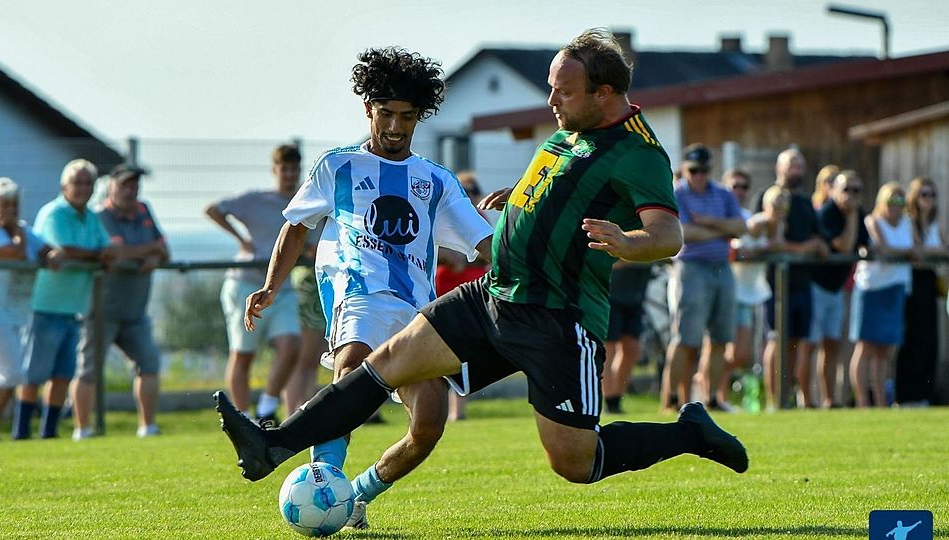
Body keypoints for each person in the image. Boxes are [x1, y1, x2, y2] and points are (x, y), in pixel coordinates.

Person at [215, 30, 748, 495]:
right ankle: (274, 446)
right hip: (493, 296)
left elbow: (667, 234)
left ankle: (688, 432)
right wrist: (519, 197)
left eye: (563, 90)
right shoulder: (569, 132)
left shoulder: (639, 153)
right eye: (552, 86)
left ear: (603, 93)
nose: (551, 99)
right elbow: (564, 193)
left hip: (557, 316)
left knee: (573, 463)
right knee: (378, 365)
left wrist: (629, 243)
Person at [236, 47, 493, 529]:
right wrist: (271, 286)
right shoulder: (338, 167)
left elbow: (485, 245)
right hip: (357, 293)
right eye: (387, 114)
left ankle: (353, 496)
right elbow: (295, 227)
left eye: (408, 117)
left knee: (430, 425)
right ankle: (325, 476)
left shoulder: (436, 180)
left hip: (417, 312)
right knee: (352, 362)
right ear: (368, 110)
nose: (396, 127)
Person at [13, 159, 114, 440]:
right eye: (77, 182)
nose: (83, 188)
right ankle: (21, 432)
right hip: (44, 306)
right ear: (63, 186)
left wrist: (95, 253)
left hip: (74, 308)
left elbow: (107, 249)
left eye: (88, 183)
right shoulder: (54, 213)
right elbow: (65, 249)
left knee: (62, 375)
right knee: (33, 374)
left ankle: (49, 431)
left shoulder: (91, 217)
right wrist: (95, 255)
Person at [205, 144, 303, 426]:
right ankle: (243, 418)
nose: (289, 174)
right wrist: (241, 239)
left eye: (294, 168)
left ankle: (266, 409)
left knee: (291, 346)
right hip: (246, 285)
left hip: (281, 288)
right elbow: (213, 209)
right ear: (275, 170)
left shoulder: (302, 201)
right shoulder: (255, 199)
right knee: (243, 354)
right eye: (284, 168)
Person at [71, 165, 169, 440]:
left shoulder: (144, 212)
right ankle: (82, 430)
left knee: (149, 364)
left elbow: (165, 250)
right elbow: (117, 253)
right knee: (88, 370)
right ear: (111, 186)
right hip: (101, 310)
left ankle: (148, 427)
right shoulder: (101, 216)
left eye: (134, 185)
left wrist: (155, 256)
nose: (131, 190)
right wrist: (150, 251)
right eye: (125, 184)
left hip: (136, 311)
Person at [661, 144, 746, 411]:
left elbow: (741, 227)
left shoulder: (722, 193)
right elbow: (684, 233)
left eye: (704, 170)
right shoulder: (678, 193)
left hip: (722, 268)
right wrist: (723, 230)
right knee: (686, 338)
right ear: (685, 169)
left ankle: (711, 398)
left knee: (721, 338)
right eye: (693, 170)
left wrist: (708, 222)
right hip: (691, 269)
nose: (698, 175)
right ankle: (671, 399)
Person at [756, 149, 827, 409]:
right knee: (776, 340)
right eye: (791, 164)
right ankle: (775, 402)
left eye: (800, 164)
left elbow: (819, 240)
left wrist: (814, 246)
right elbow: (768, 242)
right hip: (774, 284)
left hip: (802, 283)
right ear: (779, 168)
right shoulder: (767, 196)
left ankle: (794, 399)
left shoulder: (807, 202)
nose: (795, 169)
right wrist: (802, 247)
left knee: (798, 343)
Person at [0, 178, 53, 440]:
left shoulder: (25, 231)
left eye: (15, 204)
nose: (11, 210)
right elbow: (15, 253)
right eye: (5, 204)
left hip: (14, 312)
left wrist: (52, 256)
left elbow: (47, 250)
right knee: (13, 371)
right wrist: (18, 234)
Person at [849, 182, 915, 408]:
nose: (896, 206)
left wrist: (905, 252)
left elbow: (917, 249)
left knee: (884, 351)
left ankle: (880, 403)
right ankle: (861, 402)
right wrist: (906, 253)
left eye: (900, 201)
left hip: (895, 287)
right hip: (871, 288)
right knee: (865, 347)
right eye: (891, 201)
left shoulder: (907, 223)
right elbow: (886, 249)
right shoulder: (872, 221)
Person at [808, 170, 868, 408]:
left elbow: (864, 245)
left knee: (832, 344)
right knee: (810, 345)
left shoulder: (858, 213)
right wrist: (852, 216)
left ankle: (829, 399)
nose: (851, 196)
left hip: (836, 288)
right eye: (846, 189)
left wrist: (855, 216)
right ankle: (805, 400)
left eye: (856, 191)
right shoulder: (827, 213)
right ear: (833, 190)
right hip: (817, 286)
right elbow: (843, 246)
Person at [434, 170, 490, 421]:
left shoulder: (480, 219)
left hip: (471, 291)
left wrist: (466, 261)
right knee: (438, 353)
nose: (471, 196)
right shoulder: (444, 215)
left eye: (473, 190)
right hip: (444, 291)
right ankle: (437, 409)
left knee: (464, 354)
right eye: (466, 191)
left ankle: (458, 412)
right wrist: (449, 256)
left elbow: (489, 255)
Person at [894, 177, 945, 405]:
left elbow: (937, 251)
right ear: (915, 197)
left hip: (930, 282)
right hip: (912, 284)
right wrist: (931, 252)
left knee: (930, 339)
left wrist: (930, 252)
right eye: (924, 195)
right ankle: (907, 395)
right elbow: (917, 252)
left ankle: (925, 394)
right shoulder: (908, 222)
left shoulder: (933, 224)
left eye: (932, 195)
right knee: (912, 339)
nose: (929, 200)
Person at [719, 168, 764, 406]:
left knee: (741, 354)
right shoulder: (718, 212)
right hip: (722, 290)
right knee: (717, 347)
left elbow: (763, 241)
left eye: (744, 187)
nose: (739, 191)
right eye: (734, 186)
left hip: (745, 293)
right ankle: (716, 396)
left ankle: (709, 386)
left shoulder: (747, 216)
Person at [285, 229, 327, 415]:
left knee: (312, 361)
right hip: (309, 284)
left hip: (323, 284)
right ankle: (292, 414)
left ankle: (305, 412)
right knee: (301, 359)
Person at [602, 261, 652, 414]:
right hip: (612, 293)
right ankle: (609, 401)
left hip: (636, 293)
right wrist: (637, 253)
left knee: (632, 349)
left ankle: (616, 398)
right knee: (608, 348)